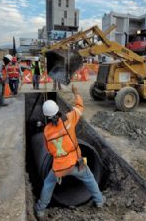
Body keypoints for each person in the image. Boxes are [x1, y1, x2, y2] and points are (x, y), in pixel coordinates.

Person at [35, 85, 105, 219]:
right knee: (90, 179)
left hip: (59, 168)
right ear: (57, 111)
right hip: (75, 163)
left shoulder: (46, 131)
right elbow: (79, 107)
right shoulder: (69, 120)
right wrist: (76, 93)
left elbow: (49, 150)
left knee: (48, 185)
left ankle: (40, 209)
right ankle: (99, 201)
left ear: (47, 116)